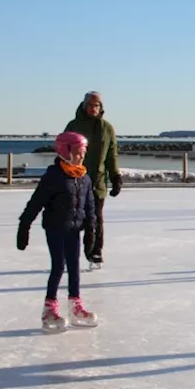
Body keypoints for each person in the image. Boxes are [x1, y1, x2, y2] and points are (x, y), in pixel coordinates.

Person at [17, 132, 99, 332]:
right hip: (55, 227)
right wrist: (24, 224)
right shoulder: (54, 176)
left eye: (83, 153)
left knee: (74, 266)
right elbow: (36, 202)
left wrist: (91, 229)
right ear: (66, 150)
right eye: (78, 152)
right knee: (58, 266)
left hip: (74, 229)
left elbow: (90, 207)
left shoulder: (84, 177)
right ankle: (49, 309)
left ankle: (75, 305)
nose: (81, 156)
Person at [64, 92, 121, 268]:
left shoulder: (107, 128)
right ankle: (68, 252)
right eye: (90, 105)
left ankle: (95, 252)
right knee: (73, 219)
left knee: (96, 219)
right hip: (75, 180)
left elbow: (112, 154)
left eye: (97, 105)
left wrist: (115, 176)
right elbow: (63, 152)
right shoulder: (73, 126)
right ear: (84, 105)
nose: (94, 108)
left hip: (98, 182)